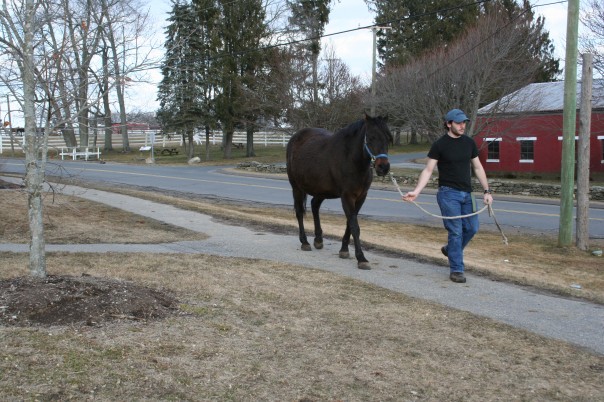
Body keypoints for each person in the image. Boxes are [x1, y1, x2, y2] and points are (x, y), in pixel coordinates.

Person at [403, 108, 493, 283]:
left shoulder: (469, 143)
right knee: (456, 231)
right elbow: (428, 170)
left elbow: (478, 167)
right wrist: (416, 191)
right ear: (448, 124)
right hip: (448, 194)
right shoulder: (439, 145)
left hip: (467, 194)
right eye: (458, 123)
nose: (462, 126)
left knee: (472, 228)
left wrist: (487, 191)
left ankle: (450, 249)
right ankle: (457, 270)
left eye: (464, 122)